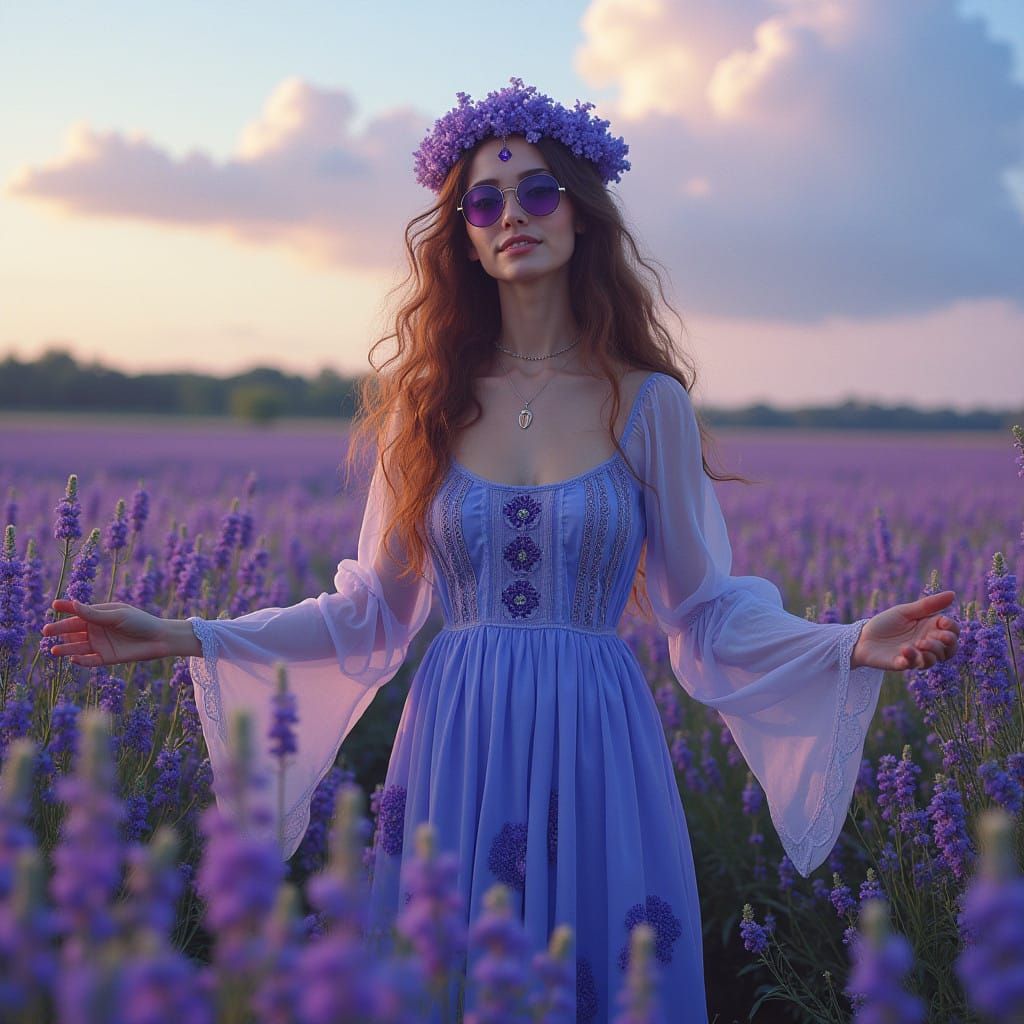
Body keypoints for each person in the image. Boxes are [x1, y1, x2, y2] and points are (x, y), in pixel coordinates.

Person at [44, 77, 960, 1024]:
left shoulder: (646, 404)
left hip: (599, 740)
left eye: (537, 192)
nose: (511, 215)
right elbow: (370, 611)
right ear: (463, 234)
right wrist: (183, 631)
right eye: (484, 200)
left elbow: (705, 609)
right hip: (456, 742)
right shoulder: (425, 405)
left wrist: (844, 641)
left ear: (582, 213)